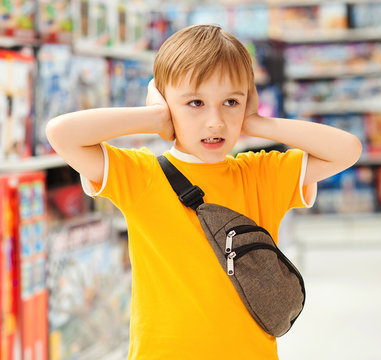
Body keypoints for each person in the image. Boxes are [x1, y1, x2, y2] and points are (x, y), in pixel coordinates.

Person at [46, 24, 362, 360]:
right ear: (167, 104)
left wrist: (254, 122)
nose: (216, 121)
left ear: (248, 101)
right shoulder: (141, 175)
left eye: (230, 102)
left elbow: (347, 149)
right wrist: (155, 118)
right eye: (195, 103)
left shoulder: (261, 174)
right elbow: (61, 133)